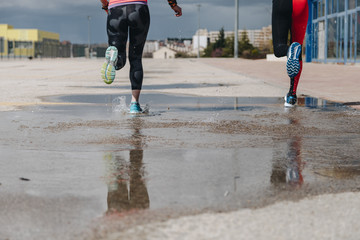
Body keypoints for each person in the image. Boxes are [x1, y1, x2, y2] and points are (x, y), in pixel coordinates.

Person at [100, 0, 182, 113]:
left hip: (115, 10)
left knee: (118, 56)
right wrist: (173, 5)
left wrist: (105, 5)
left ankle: (116, 59)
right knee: (135, 58)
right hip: (138, 9)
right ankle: (134, 104)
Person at [272, 0, 309, 107]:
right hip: (302, 5)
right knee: (297, 50)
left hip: (283, 3)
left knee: (279, 48)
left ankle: (288, 50)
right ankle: (292, 95)